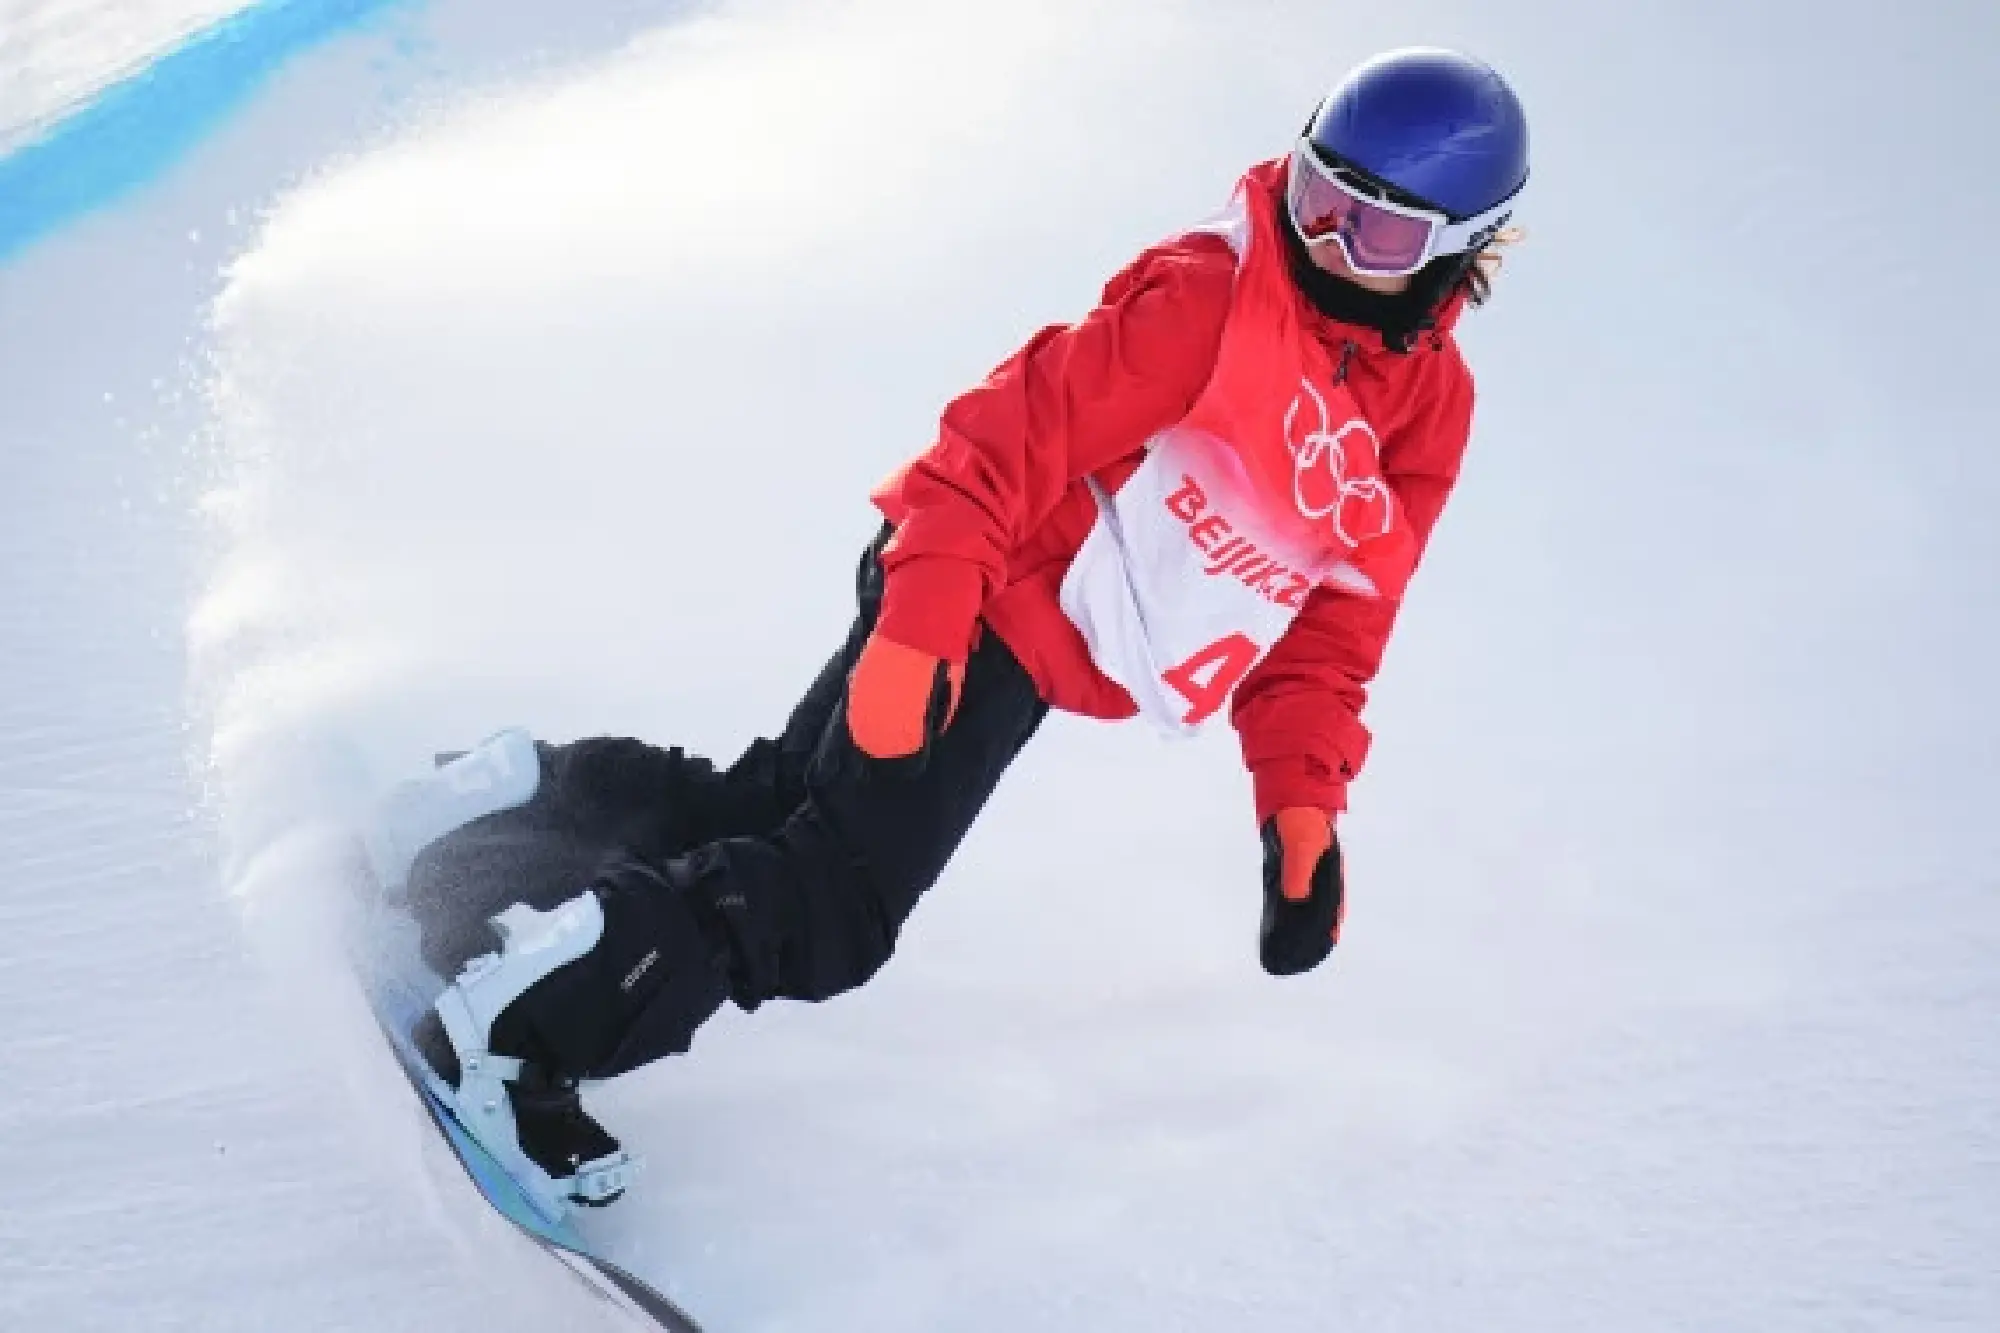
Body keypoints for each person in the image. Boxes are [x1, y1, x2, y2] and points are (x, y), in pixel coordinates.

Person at [368, 46, 1530, 1212]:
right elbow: (1000, 441)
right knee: (833, 908)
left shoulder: (1427, 415)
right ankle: (506, 1041)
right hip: (976, 590)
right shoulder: (1211, 299)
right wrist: (921, 628)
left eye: (1373, 233)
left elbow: (1331, 627)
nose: (1324, 240)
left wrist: (1300, 807)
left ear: (1461, 251)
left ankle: (493, 822)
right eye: (1316, 196)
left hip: (1027, 629)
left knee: (773, 813)